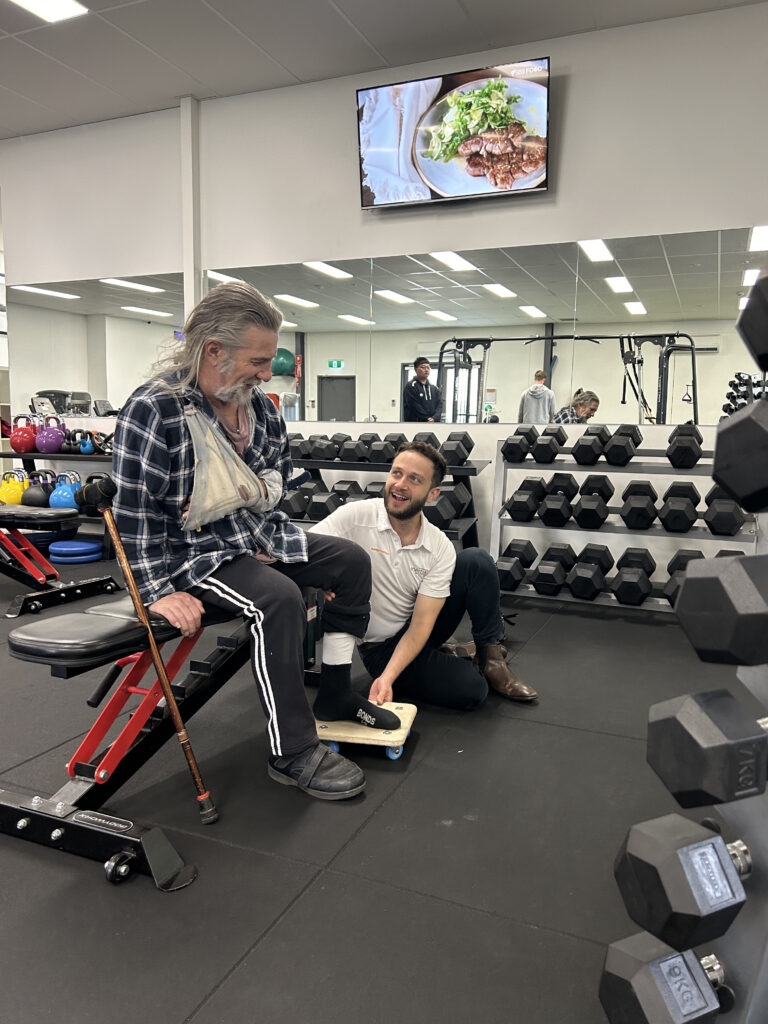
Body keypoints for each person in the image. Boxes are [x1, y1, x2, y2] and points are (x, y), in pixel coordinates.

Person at [111, 282, 397, 803]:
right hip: (190, 557)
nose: (270, 373)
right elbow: (134, 512)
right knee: (277, 598)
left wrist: (265, 526)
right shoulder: (157, 409)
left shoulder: (258, 409)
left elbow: (275, 480)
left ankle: (335, 692)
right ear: (213, 351)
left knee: (351, 562)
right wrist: (154, 592)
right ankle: (291, 751)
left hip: (253, 537)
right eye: (259, 360)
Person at [310, 442, 538, 709]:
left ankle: (490, 659)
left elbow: (420, 626)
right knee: (472, 689)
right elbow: (304, 548)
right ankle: (448, 656)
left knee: (476, 560)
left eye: (414, 479)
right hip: (381, 650)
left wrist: (392, 677)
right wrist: (318, 579)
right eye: (397, 473)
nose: (400, 484)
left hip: (419, 627)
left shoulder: (438, 545)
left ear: (432, 494)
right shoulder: (356, 516)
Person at [403, 357, 442, 422]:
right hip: (415, 424)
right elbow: (414, 406)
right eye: (423, 367)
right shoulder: (411, 387)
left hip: (433, 424)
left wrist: (435, 418)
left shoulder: (435, 388)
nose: (426, 370)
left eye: (428, 367)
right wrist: (427, 419)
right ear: (416, 369)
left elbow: (439, 405)